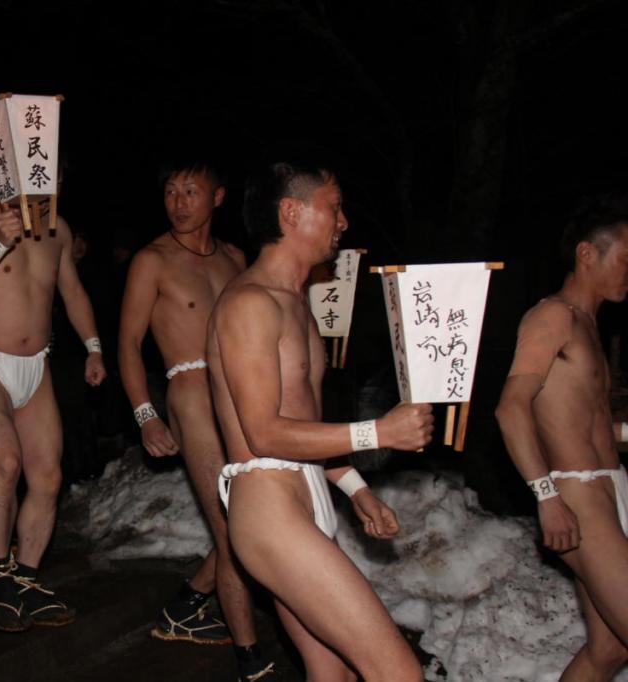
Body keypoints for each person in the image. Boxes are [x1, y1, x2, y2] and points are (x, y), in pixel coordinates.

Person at [208, 160, 431, 681]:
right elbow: (262, 432)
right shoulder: (249, 303)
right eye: (333, 207)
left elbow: (300, 421)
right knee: (398, 673)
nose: (343, 221)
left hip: (303, 495)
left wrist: (355, 487)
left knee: (333, 674)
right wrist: (378, 432)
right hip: (268, 507)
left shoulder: (297, 303)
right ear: (291, 212)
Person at [119, 160, 280, 679]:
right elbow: (128, 342)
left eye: (191, 191)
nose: (178, 201)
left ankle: (188, 603)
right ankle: (250, 658)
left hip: (241, 398)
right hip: (189, 394)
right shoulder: (152, 259)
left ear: (218, 197)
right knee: (232, 528)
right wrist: (145, 415)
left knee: (257, 520)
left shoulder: (235, 258)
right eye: (170, 191)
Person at [0, 196, 105, 632]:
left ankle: (27, 578)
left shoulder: (59, 227)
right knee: (5, 462)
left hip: (36, 365)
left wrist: (93, 347)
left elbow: (71, 291)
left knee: (48, 477)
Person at [496, 195, 628, 681]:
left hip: (609, 489)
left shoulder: (590, 325)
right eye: (626, 257)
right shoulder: (552, 316)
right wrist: (546, 497)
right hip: (578, 497)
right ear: (587, 253)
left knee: (610, 652)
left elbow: (580, 421)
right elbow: (511, 408)